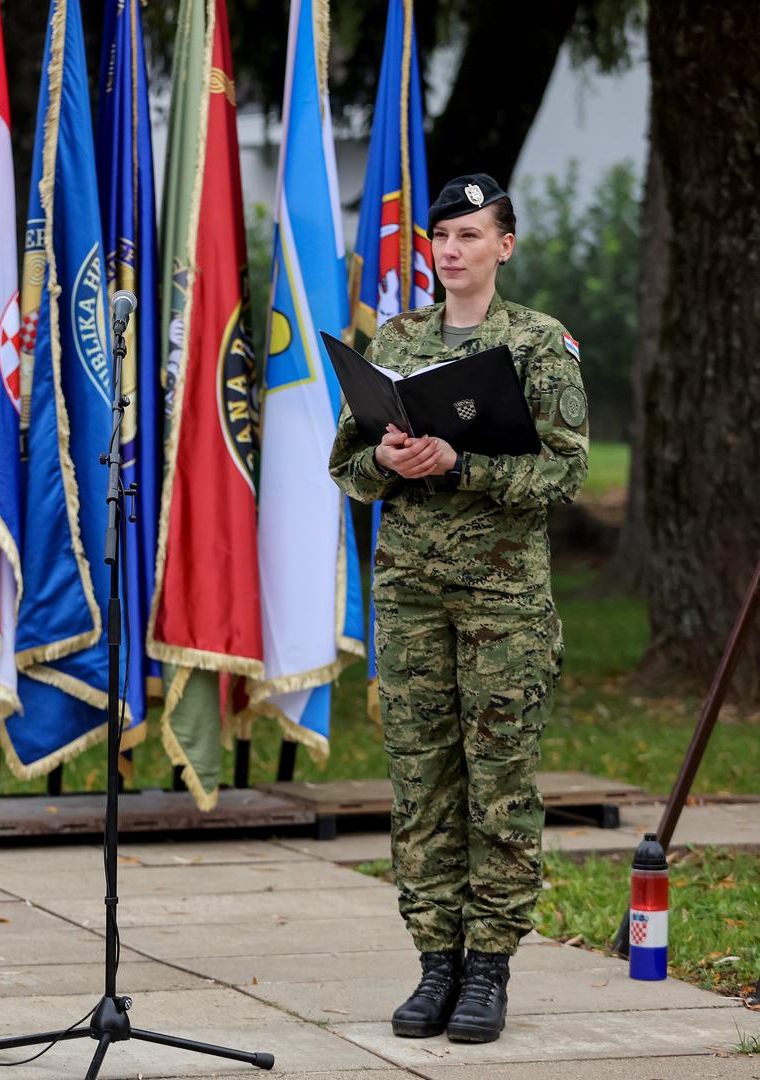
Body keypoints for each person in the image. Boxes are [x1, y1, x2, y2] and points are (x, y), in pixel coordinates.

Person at [328, 174, 589, 1043]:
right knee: (420, 782)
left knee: (498, 783)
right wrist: (387, 460)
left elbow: (565, 471)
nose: (450, 250)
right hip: (408, 596)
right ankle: (434, 961)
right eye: (440, 236)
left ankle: (488, 967)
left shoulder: (539, 343)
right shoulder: (396, 340)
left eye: (470, 235)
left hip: (501, 603)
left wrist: (459, 464)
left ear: (503, 246)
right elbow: (346, 466)